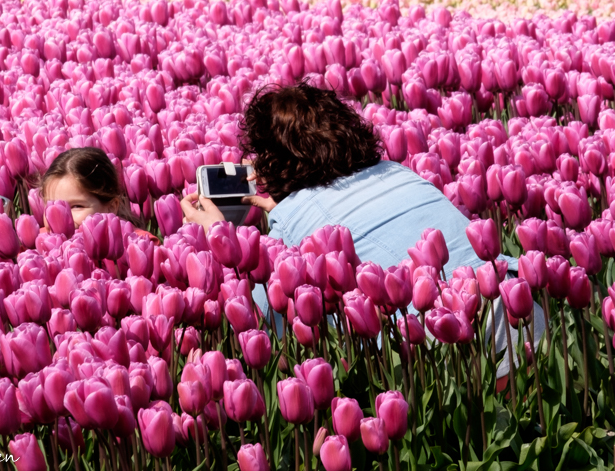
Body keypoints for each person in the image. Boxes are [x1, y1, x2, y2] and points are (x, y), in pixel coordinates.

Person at [181, 81, 542, 383]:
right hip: (521, 309)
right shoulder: (397, 171)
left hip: (443, 348)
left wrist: (217, 234)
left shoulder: (294, 221)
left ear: (271, 164)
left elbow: (255, 319)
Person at [41, 147, 158, 242]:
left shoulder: (138, 244)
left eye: (77, 206)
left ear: (111, 207)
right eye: (53, 207)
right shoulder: (40, 243)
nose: (62, 217)